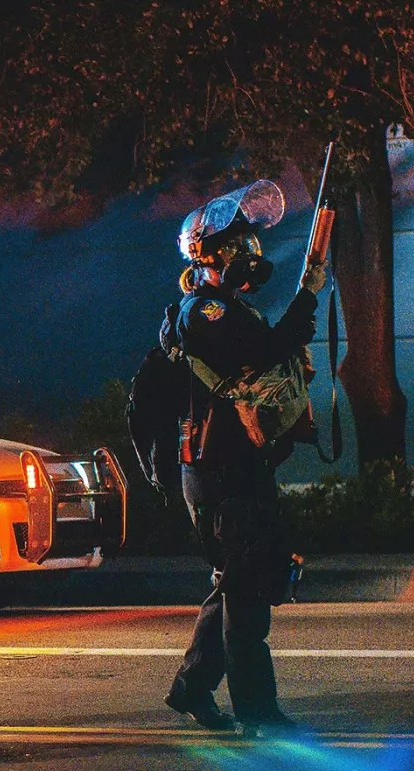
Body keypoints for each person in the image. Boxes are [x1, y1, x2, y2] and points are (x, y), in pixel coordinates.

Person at [161, 179, 327, 735]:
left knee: (237, 583)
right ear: (207, 256)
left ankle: (190, 689)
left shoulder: (230, 308)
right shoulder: (203, 311)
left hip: (238, 466)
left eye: (247, 245)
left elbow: (269, 357)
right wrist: (306, 296)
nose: (247, 254)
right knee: (249, 593)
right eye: (234, 246)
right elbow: (261, 351)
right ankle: (258, 712)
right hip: (218, 471)